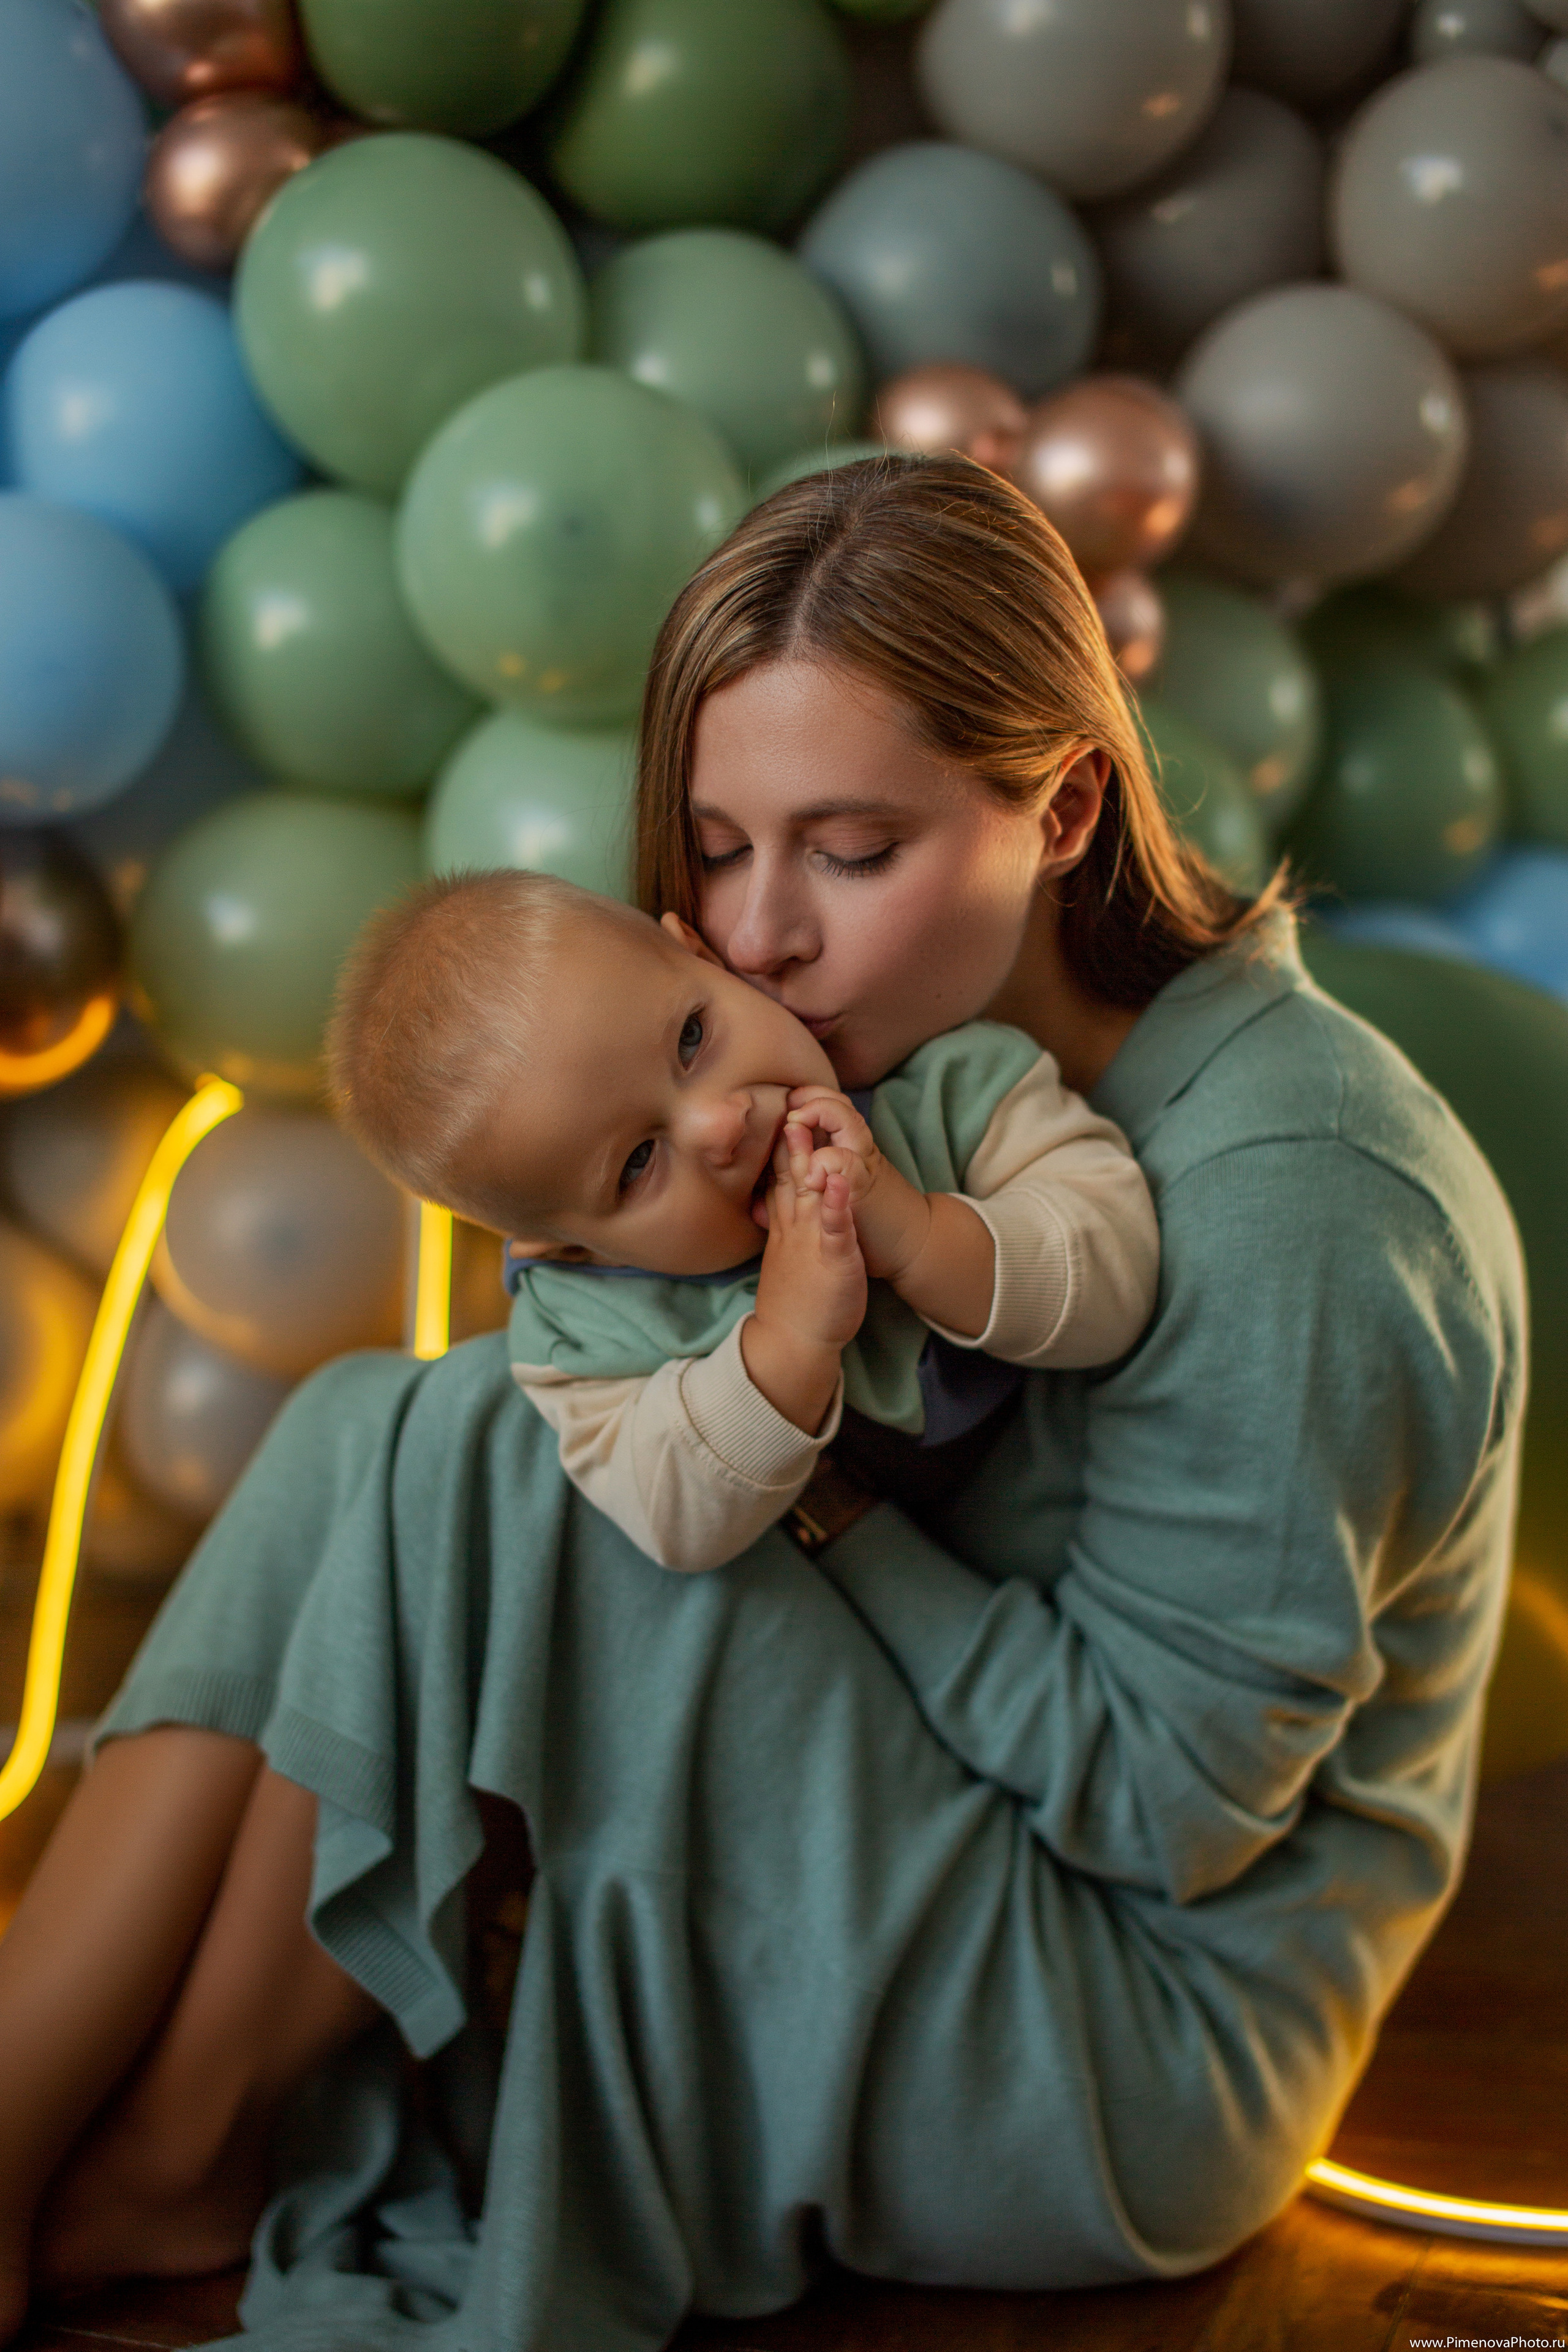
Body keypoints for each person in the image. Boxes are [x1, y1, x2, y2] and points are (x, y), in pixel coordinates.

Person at [0, 457, 1526, 2352]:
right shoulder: (875, 1063)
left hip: (1129, 2041)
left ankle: (165, 2145)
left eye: (852, 850)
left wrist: (811, 1501)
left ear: (1063, 809)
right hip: (967, 1836)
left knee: (488, 1453)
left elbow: (1165, 1815)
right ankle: (92, 2117)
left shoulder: (1300, 1199)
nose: (761, 934)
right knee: (372, 1423)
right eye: (719, 849)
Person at [326, 870, 1159, 1570]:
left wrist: (916, 1236)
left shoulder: (950, 1089)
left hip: (1097, 1513)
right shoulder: (583, 1333)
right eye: (638, 1162)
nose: (720, 1125)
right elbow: (670, 1521)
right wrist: (787, 1344)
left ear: (700, 954)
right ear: (569, 1247)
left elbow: (1120, 1277)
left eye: (692, 1038)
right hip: (870, 1625)